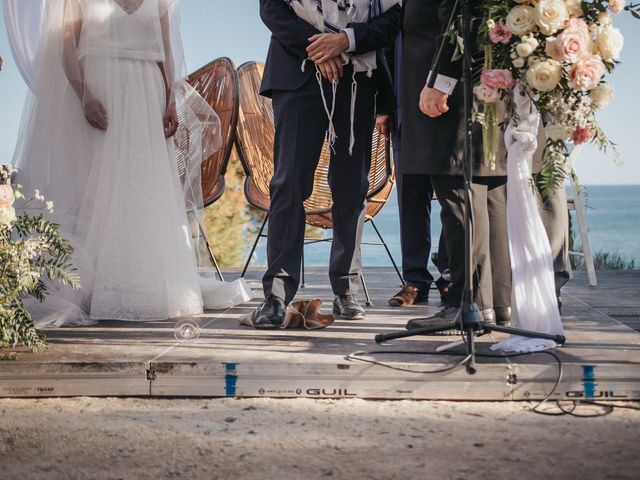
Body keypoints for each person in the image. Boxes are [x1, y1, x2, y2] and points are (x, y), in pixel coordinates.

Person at [8, 0, 251, 326]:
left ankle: (147, 287)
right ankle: (96, 289)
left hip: (146, 92)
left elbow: (165, 49)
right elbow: (66, 45)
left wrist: (169, 100)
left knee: (143, 189)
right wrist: (84, 95)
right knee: (102, 187)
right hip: (101, 89)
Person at [252, 0, 401, 328]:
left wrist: (346, 40)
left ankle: (346, 288)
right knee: (288, 184)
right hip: (297, 74)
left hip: (359, 79)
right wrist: (319, 48)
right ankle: (275, 296)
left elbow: (395, 16)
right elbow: (272, 9)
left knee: (352, 187)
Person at [402, 0, 512, 330]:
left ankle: (466, 304)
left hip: (454, 99)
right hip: (484, 93)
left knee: (459, 198)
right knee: (489, 198)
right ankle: (496, 305)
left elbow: (459, 19)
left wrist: (440, 82)